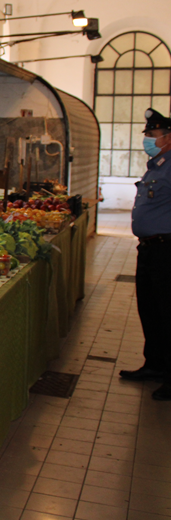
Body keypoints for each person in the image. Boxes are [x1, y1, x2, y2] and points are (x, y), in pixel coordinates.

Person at [120, 107, 171, 400]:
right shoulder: (156, 164)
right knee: (150, 309)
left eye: (151, 135)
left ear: (167, 137)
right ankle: (154, 365)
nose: (147, 140)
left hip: (167, 250)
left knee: (168, 311)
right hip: (150, 248)